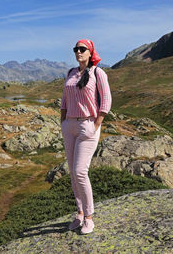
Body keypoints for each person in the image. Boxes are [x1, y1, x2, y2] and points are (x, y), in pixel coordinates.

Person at [60, 39, 112, 234]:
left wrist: (96, 124)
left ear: (90, 52)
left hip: (88, 125)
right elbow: (65, 100)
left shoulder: (98, 73)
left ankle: (89, 217)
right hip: (70, 126)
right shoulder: (71, 73)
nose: (78, 52)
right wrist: (63, 122)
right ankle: (79, 212)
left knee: (81, 171)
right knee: (73, 173)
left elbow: (106, 100)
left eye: (82, 49)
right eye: (76, 49)